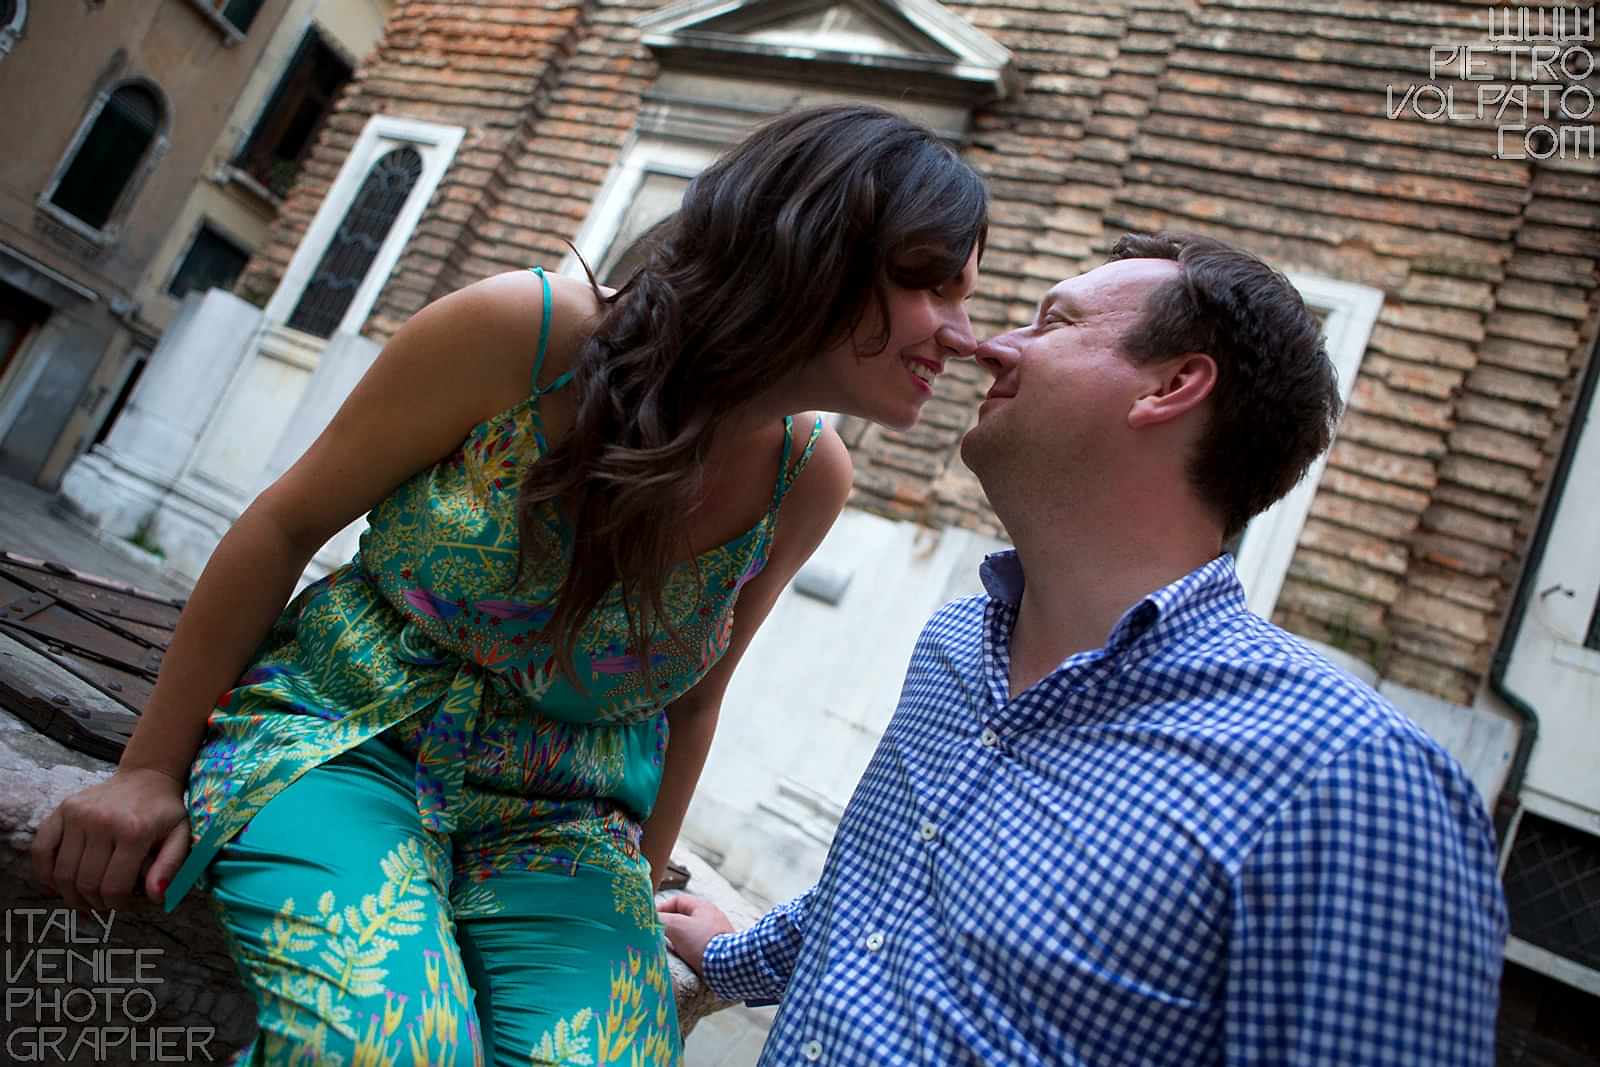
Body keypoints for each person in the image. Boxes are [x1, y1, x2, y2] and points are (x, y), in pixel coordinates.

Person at [30, 104, 985, 1066]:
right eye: (937, 286)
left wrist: (636, 895)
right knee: (389, 1048)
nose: (966, 335)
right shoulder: (525, 335)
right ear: (824, 249)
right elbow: (285, 524)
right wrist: (149, 768)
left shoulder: (807, 476)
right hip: (351, 737)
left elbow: (696, 704)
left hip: (567, 820)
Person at [661, 232, 1508, 1065]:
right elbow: (887, 902)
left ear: (1173, 386)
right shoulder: (959, 643)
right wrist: (735, 954)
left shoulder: (1350, 779)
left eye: (1053, 323)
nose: (987, 345)